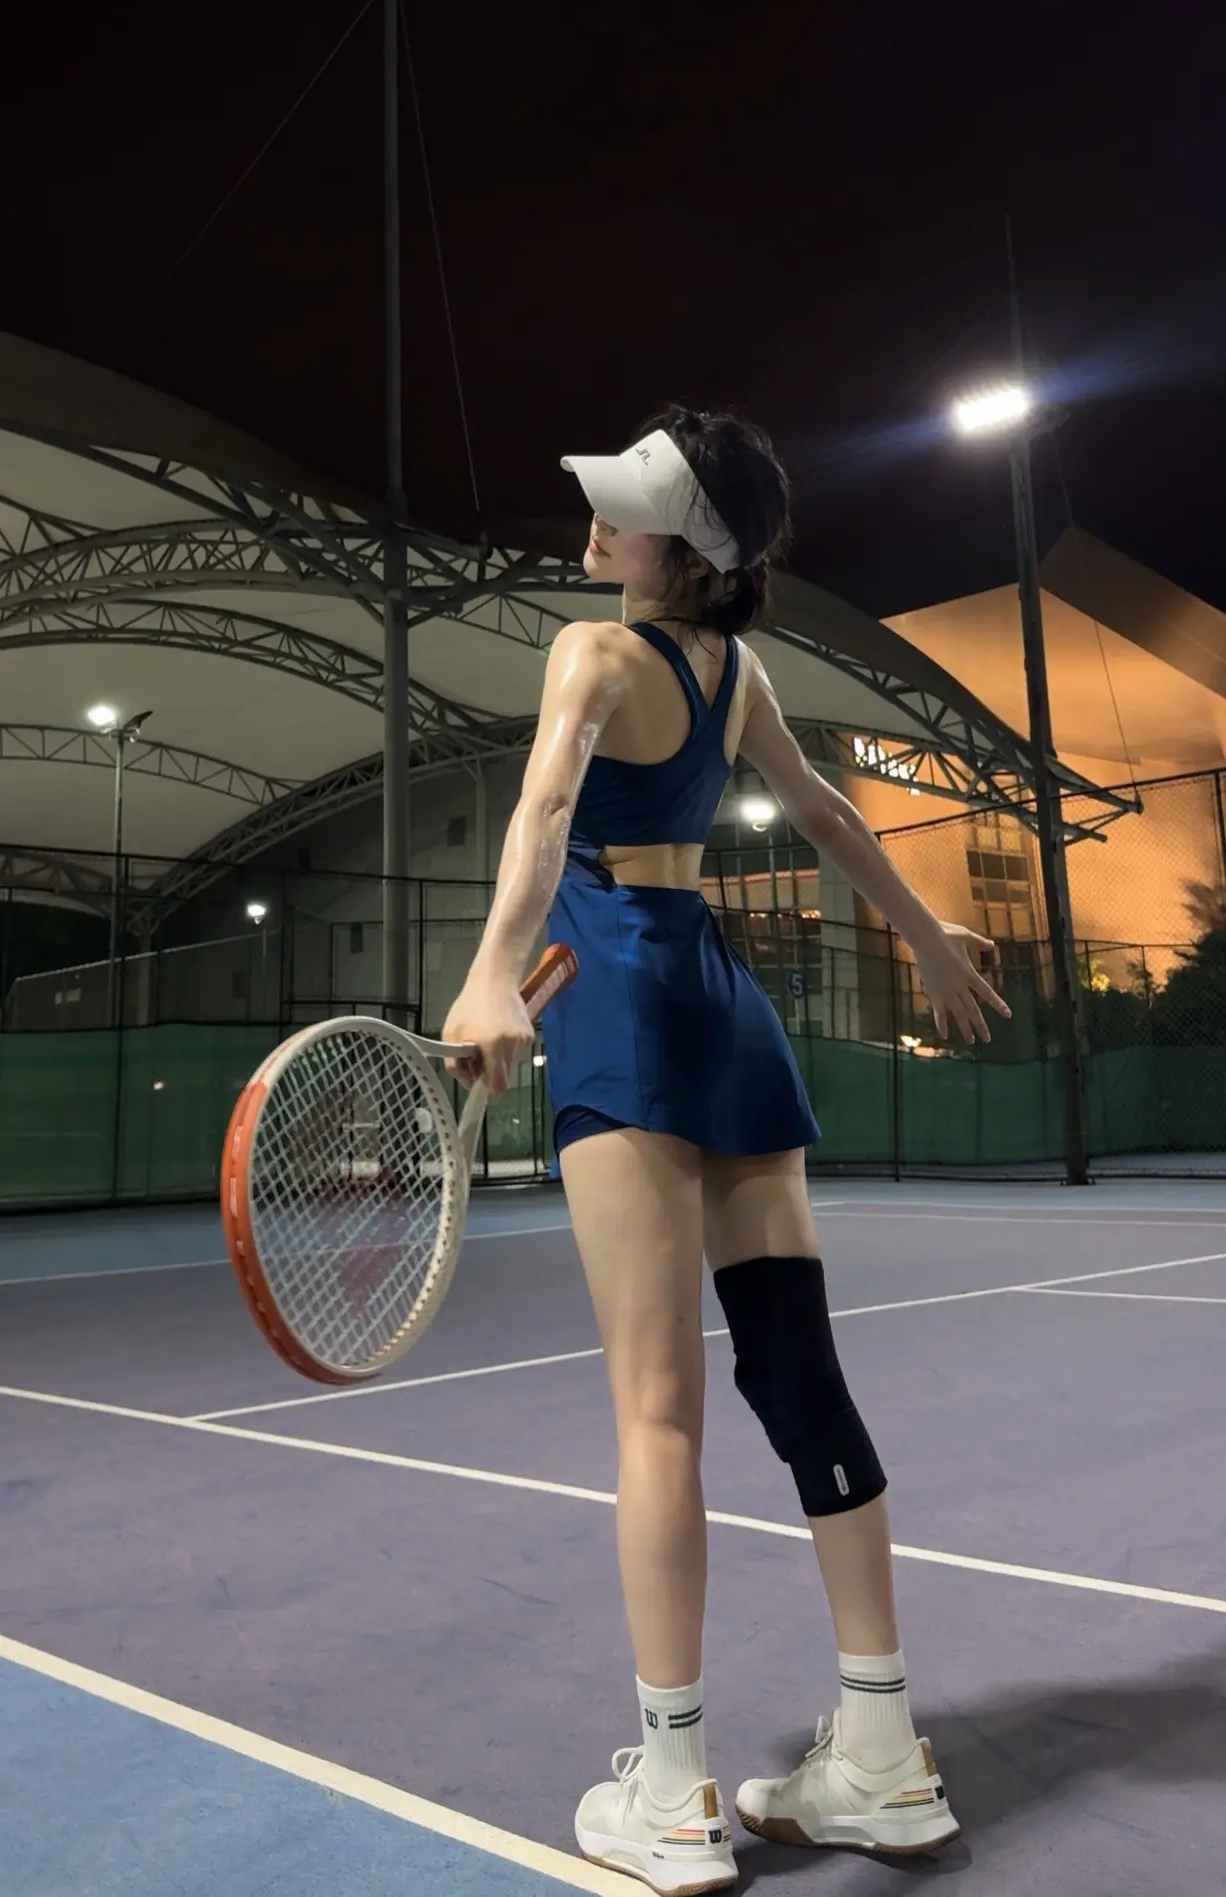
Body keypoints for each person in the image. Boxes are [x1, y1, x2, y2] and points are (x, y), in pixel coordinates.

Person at [442, 406, 1008, 1893]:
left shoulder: (591, 653)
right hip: (721, 1003)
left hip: (624, 1002)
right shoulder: (737, 669)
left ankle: (674, 1786)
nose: (594, 519)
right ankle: (882, 1760)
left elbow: (544, 809)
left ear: (682, 552)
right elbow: (820, 812)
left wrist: (491, 971)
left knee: (657, 1414)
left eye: (622, 506)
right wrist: (919, 931)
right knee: (798, 1376)